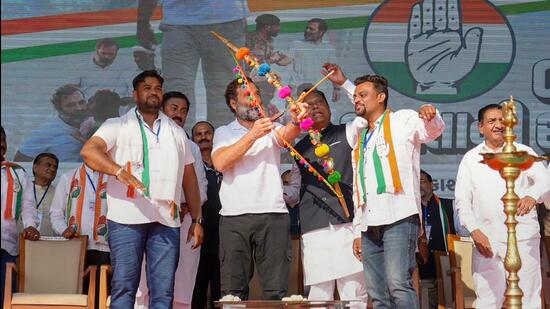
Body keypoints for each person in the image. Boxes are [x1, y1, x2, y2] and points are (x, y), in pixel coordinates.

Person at [322, 63, 445, 308]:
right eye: (354, 95)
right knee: (377, 293)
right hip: (369, 223)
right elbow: (360, 188)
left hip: (399, 216)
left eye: (363, 95)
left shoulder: (403, 120)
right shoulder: (361, 137)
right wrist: (358, 230)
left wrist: (431, 114)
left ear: (381, 97)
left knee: (398, 284)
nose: (356, 99)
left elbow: (431, 131)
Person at [79, 70, 203, 308]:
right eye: (147, 88)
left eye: (158, 88)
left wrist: (197, 220)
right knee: (125, 286)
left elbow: (190, 179)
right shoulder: (117, 125)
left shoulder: (176, 132)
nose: (153, 92)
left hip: (167, 219)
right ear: (135, 94)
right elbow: (89, 151)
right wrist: (118, 171)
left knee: (163, 291)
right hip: (126, 217)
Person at [212, 77, 307, 300]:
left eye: (256, 94)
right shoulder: (224, 132)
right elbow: (220, 163)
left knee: (275, 289)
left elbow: (287, 137)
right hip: (234, 216)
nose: (255, 99)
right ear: (233, 104)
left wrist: (295, 120)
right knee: (233, 292)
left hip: (273, 214)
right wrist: (253, 134)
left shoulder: (271, 127)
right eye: (248, 95)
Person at [455, 103, 548, 308]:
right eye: (492, 121)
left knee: (528, 298)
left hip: (523, 235)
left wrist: (532, 196)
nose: (498, 125)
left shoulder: (523, 152)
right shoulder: (471, 158)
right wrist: (474, 231)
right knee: (488, 299)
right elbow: (462, 200)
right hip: (487, 238)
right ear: (481, 127)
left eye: (502, 120)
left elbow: (546, 181)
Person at [285, 89, 368, 307]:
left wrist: (343, 84)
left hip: (349, 223)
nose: (315, 107)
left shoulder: (348, 131)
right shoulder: (297, 148)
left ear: (329, 108)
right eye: (309, 105)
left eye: (319, 102)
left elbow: (366, 115)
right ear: (301, 114)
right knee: (320, 293)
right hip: (314, 226)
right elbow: (295, 188)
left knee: (354, 291)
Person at [135, 91, 208, 309]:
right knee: (143, 279)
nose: (179, 114)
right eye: (174, 109)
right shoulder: (143, 140)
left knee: (182, 282)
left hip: (184, 221)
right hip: (147, 218)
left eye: (184, 111)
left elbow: (201, 188)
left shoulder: (191, 146)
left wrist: (187, 207)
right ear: (162, 110)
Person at [137, 0, 249, 128]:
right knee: (178, 91)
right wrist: (142, 20)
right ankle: (180, 144)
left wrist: (143, 21)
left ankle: (224, 145)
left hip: (224, 19)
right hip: (183, 21)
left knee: (224, 92)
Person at [50, 162, 110, 308]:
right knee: (79, 295)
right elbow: (56, 213)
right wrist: (64, 230)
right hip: (77, 247)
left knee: (105, 294)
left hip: (108, 247)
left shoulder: (112, 178)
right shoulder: (68, 177)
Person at [1, 126, 40, 306]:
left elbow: (28, 205)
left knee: (5, 296)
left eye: (3, 140)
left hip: (6, 246)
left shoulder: (17, 173)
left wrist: (30, 225)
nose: (1, 144)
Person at [191, 121, 223, 309]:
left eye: (207, 133)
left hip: (224, 234)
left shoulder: (225, 163)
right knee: (197, 288)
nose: (203, 137)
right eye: (198, 134)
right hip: (198, 234)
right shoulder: (192, 168)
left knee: (221, 289)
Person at [15, 84, 89, 162]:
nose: (79, 108)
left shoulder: (94, 124)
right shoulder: (47, 131)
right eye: (70, 105)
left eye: (81, 102)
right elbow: (20, 162)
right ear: (59, 109)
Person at [417, 170, 455, 309]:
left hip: (446, 269)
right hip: (422, 272)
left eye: (422, 181)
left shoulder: (449, 206)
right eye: (415, 182)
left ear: (432, 184)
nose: (419, 185)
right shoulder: (411, 211)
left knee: (449, 304)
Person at [246, 14, 291, 109]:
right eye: (276, 26)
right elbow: (254, 64)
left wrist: (280, 58)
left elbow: (267, 59)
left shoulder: (269, 40)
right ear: (267, 27)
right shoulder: (254, 39)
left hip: (260, 79)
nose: (279, 29)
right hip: (249, 80)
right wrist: (273, 59)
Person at [288, 18, 340, 102]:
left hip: (318, 92)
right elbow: (286, 60)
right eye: (307, 28)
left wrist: (336, 89)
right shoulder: (297, 44)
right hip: (296, 92)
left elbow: (333, 71)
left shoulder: (328, 48)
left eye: (311, 29)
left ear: (321, 32)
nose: (307, 31)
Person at [31, 152, 59, 236]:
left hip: (50, 243)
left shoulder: (59, 193)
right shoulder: (23, 189)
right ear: (35, 168)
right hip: (22, 242)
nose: (52, 169)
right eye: (48, 165)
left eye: (55, 167)